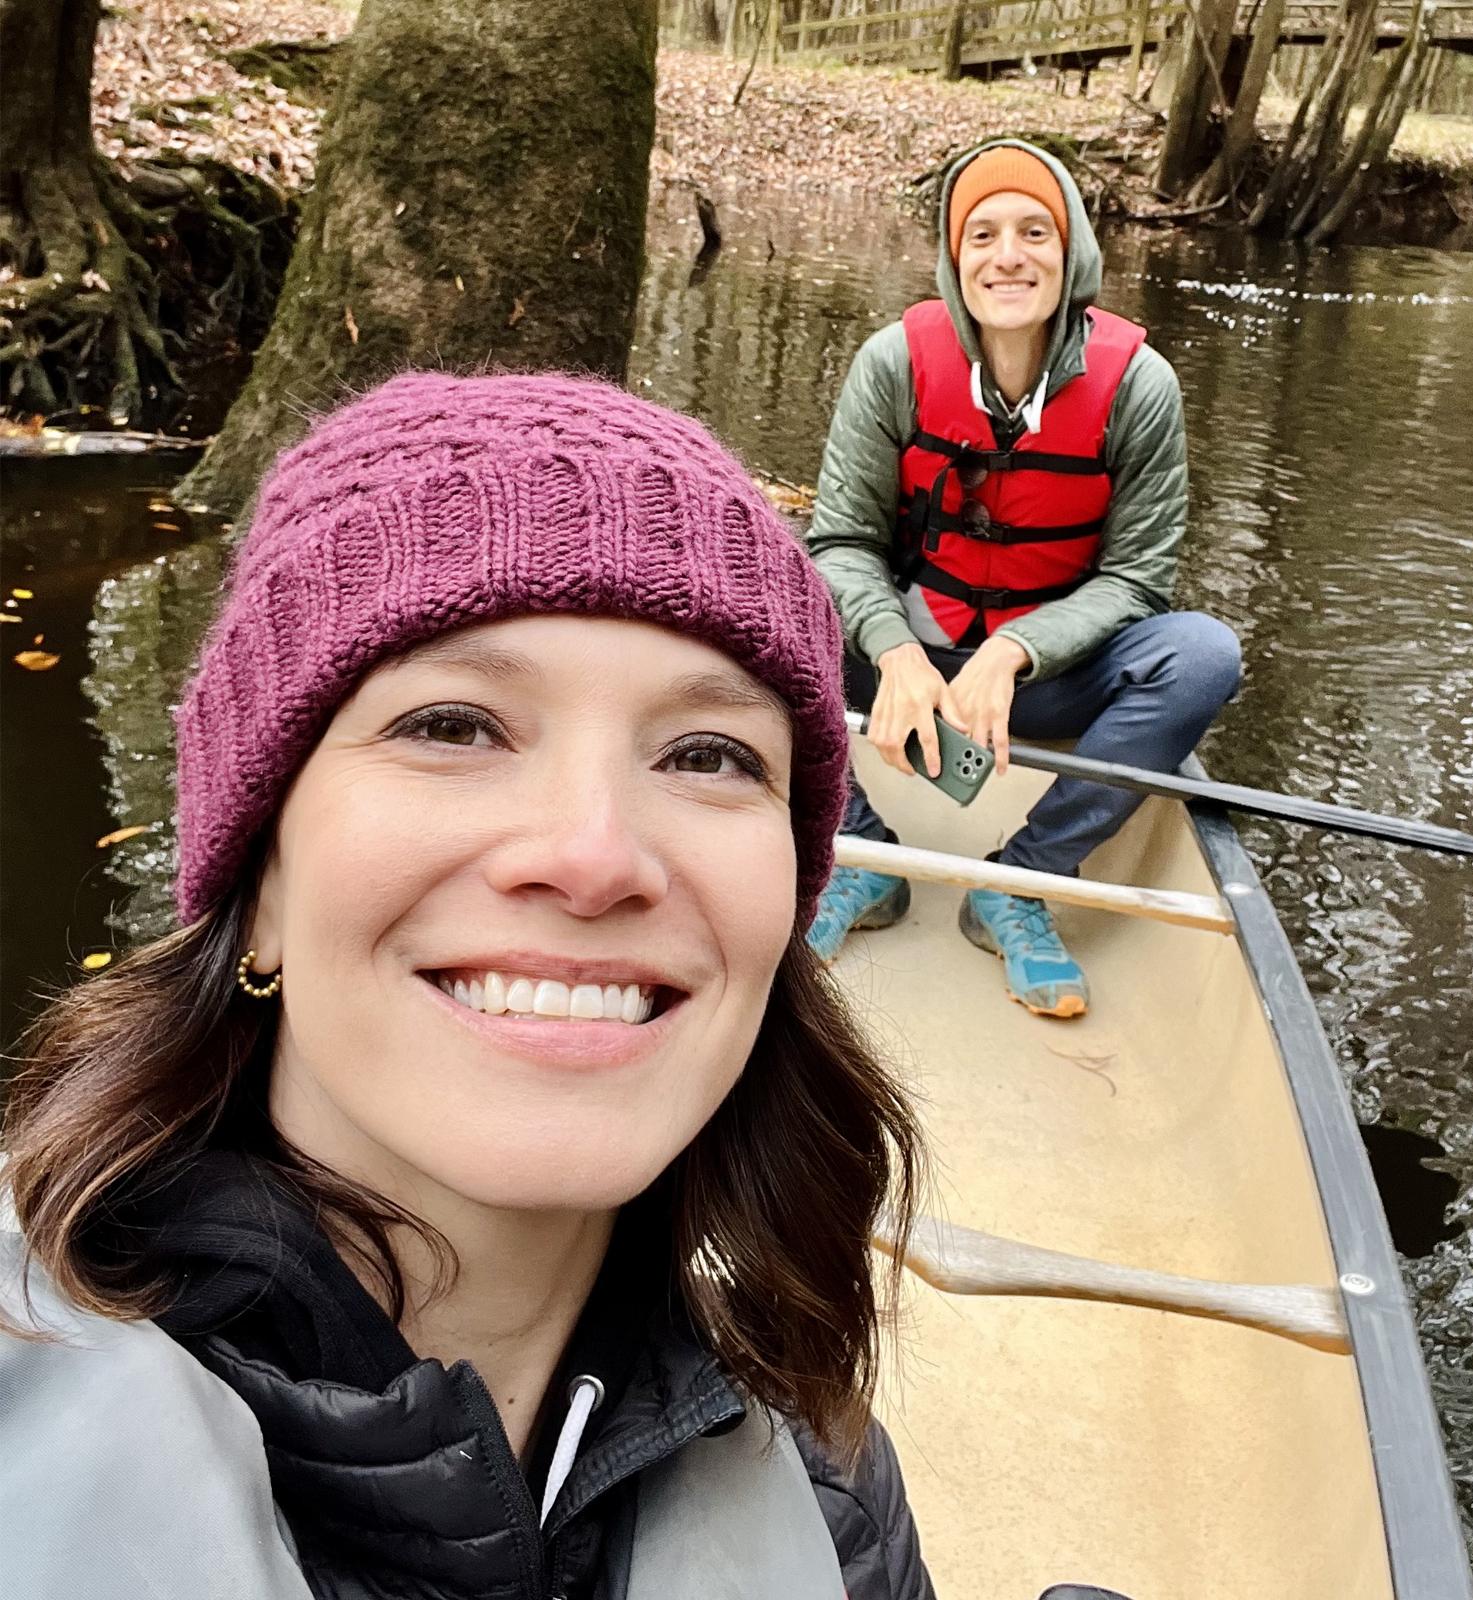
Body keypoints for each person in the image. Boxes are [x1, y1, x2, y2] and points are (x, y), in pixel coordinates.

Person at [0, 373, 935, 1600]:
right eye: (452, 725)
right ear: (261, 877)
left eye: (707, 754)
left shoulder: (832, 1492)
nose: (594, 855)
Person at [805, 140, 1241, 1018]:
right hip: (913, 666)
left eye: (1035, 231)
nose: (1009, 256)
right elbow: (842, 540)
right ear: (954, 258)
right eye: (985, 236)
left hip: (1044, 681)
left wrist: (1014, 652)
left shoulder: (1139, 387)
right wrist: (892, 650)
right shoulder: (892, 364)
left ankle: (1021, 879)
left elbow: (1139, 580)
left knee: (1201, 656)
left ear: (1071, 248)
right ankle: (852, 849)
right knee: (757, 597)